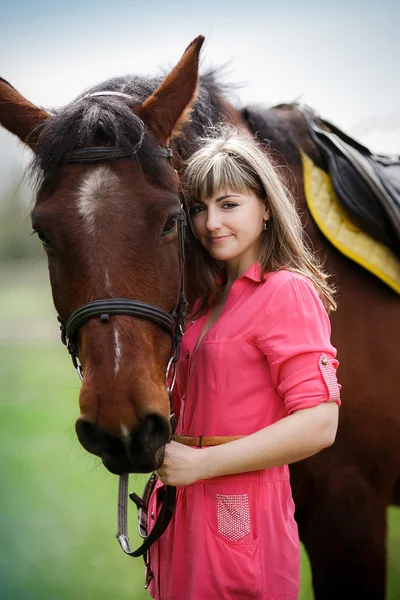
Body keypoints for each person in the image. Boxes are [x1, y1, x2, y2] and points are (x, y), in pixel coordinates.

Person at [148, 128, 340, 600]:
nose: (211, 222)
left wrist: (201, 463)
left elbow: (320, 423)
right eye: (199, 208)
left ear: (267, 207)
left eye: (229, 204)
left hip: (241, 513)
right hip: (180, 510)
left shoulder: (286, 291)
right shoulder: (201, 305)